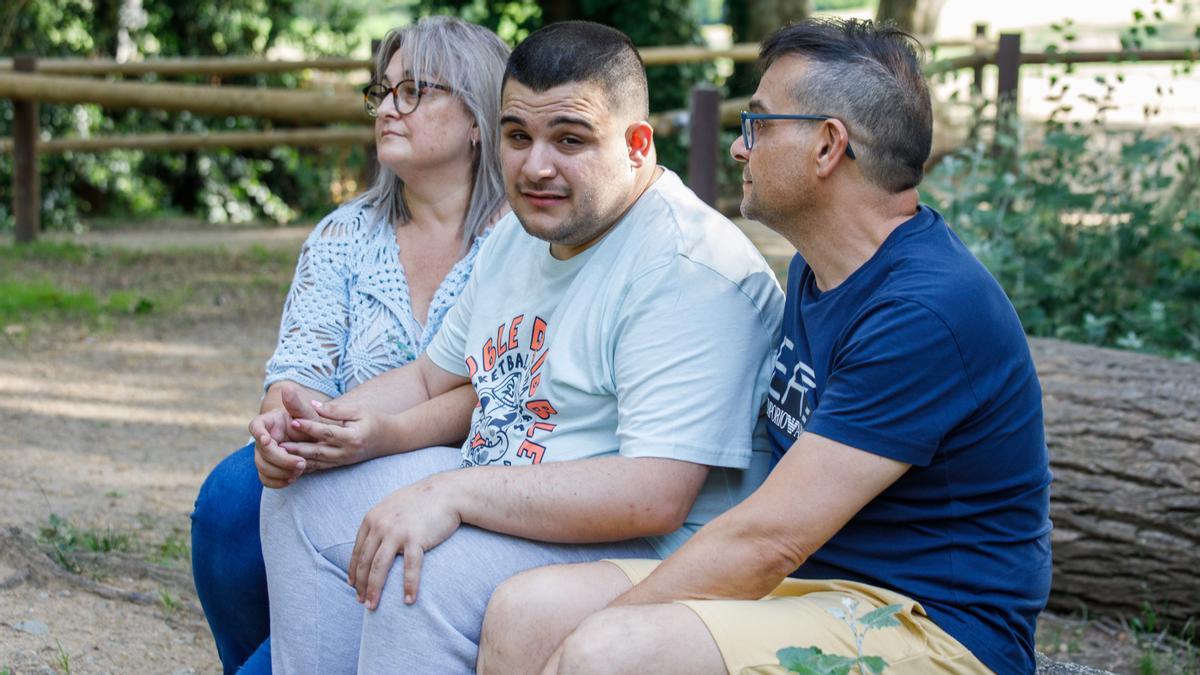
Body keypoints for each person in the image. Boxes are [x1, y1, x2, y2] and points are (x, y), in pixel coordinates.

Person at [478, 18, 1053, 675]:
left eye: (759, 124)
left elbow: (769, 538)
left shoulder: (923, 311)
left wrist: (604, 631)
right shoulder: (817, 267)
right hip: (817, 587)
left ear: (827, 146)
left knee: (608, 651)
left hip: (934, 628)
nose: (738, 149)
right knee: (528, 610)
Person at [257, 20, 785, 674]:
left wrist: (452, 493)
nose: (536, 166)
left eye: (570, 139)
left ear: (636, 145)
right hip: (521, 497)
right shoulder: (517, 237)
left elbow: (655, 493)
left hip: (649, 549)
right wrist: (310, 428)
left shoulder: (687, 266)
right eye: (518, 137)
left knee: (421, 575)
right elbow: (427, 380)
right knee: (302, 497)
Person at [188, 16, 511, 674]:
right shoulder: (346, 233)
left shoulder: (521, 239)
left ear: (478, 119)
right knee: (230, 497)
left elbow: (496, 390)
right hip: (346, 455)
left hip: (474, 464)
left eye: (414, 91)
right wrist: (286, 424)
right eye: (382, 91)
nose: (388, 107)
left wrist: (372, 434)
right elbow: (299, 367)